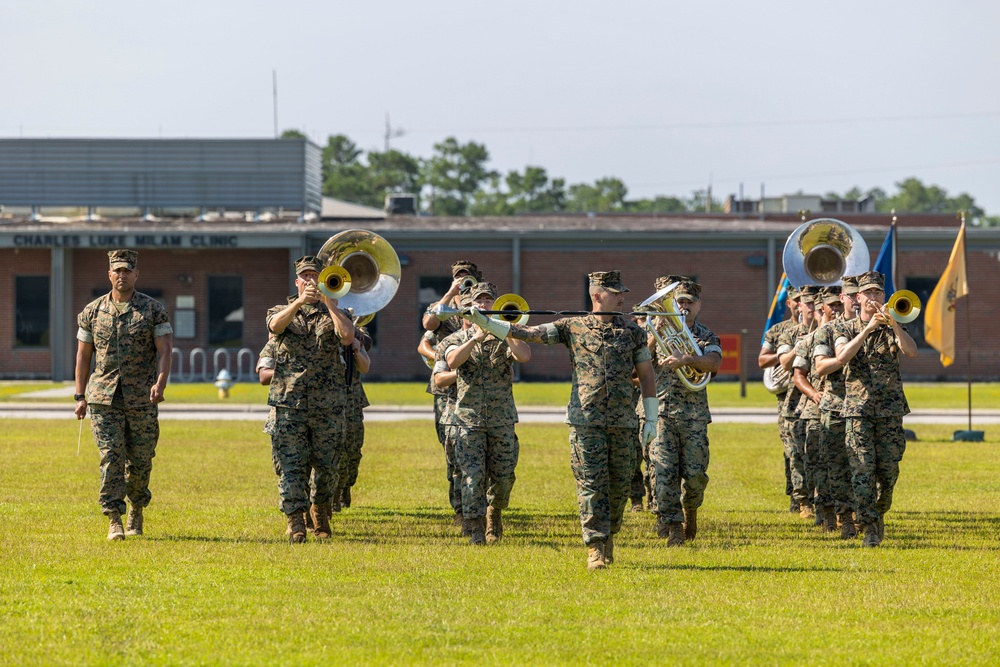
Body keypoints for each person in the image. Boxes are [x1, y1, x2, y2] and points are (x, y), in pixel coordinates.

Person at [462, 270, 657, 570]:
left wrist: (651, 417)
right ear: (597, 295)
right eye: (616, 292)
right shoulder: (572, 327)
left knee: (618, 489)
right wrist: (487, 323)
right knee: (591, 485)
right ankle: (595, 547)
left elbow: (645, 375)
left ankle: (608, 537)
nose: (622, 297)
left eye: (622, 292)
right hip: (585, 422)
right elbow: (528, 334)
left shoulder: (633, 332)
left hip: (624, 423)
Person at [74, 249, 173, 541]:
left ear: (136, 274)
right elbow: (82, 356)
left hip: (142, 397)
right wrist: (80, 397)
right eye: (117, 270)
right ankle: (114, 518)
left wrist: (161, 382)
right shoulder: (92, 312)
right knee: (111, 457)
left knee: (141, 460)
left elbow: (165, 350)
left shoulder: (153, 309)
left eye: (127, 270)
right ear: (109, 274)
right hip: (103, 398)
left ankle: (137, 508)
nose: (122, 275)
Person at [266, 255, 355, 543]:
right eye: (305, 276)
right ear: (297, 281)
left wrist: (329, 301)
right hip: (288, 403)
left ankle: (321, 509)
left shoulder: (336, 311)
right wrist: (299, 303)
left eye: (314, 276)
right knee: (291, 466)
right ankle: (295, 521)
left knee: (328, 466)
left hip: (327, 404)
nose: (310, 281)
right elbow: (275, 327)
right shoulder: (281, 309)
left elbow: (347, 336)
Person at [441, 282, 532, 545]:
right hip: (468, 420)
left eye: (487, 301)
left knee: (504, 476)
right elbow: (452, 362)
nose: (483, 306)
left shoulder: (504, 334)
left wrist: (506, 329)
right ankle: (476, 527)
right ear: (466, 307)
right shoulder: (454, 339)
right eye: (477, 302)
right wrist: (474, 338)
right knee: (472, 476)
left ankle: (495, 511)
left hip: (501, 418)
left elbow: (524, 356)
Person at [832, 271, 917, 547]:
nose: (873, 298)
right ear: (858, 298)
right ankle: (869, 527)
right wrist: (867, 329)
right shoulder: (845, 328)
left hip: (890, 412)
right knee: (862, 470)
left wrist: (894, 325)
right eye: (867, 293)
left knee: (889, 471)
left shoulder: (892, 327)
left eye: (877, 293)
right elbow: (842, 357)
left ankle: (879, 510)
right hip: (858, 412)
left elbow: (911, 352)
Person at [647, 276, 722, 546]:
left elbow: (713, 363)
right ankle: (673, 524)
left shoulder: (706, 335)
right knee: (663, 471)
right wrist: (655, 335)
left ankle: (690, 510)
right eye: (679, 301)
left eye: (689, 302)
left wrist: (688, 359)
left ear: (699, 305)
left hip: (694, 416)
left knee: (694, 475)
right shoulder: (655, 332)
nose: (684, 307)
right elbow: (637, 365)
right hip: (662, 413)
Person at [419, 260, 483, 524]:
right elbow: (428, 327)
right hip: (447, 390)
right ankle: (460, 508)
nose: (463, 281)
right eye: (458, 277)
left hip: (479, 389)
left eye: (467, 278)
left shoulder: (484, 308)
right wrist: (442, 360)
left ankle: (481, 508)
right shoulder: (443, 309)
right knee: (453, 450)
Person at [791, 285, 843, 532]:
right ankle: (825, 512)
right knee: (818, 463)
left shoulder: (849, 334)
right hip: (814, 409)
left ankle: (847, 512)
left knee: (843, 461)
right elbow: (798, 375)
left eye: (839, 304)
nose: (837, 309)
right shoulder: (809, 340)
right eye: (832, 305)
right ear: (823, 308)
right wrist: (813, 394)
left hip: (842, 406)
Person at [813, 275, 861, 539]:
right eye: (850, 295)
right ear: (842, 298)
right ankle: (845, 517)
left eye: (858, 294)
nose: (855, 300)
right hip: (836, 406)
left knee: (866, 464)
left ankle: (864, 512)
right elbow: (821, 367)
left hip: (866, 407)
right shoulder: (828, 331)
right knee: (837, 466)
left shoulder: (874, 326)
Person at [776, 284, 819, 519]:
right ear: (799, 306)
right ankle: (803, 501)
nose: (813, 308)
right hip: (793, 405)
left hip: (820, 404)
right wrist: (802, 344)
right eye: (809, 303)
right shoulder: (789, 334)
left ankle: (824, 501)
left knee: (819, 456)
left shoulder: (830, 330)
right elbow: (784, 362)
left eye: (816, 303)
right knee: (796, 455)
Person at [758, 287, 801, 512]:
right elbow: (762, 360)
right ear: (789, 303)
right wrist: (785, 355)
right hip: (789, 400)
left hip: (815, 396)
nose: (802, 304)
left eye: (807, 300)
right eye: (797, 300)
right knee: (791, 450)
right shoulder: (778, 330)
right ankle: (796, 495)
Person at [334, 325, 372, 510]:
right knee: (332, 452)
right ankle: (331, 493)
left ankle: (345, 485)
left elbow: (365, 366)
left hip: (352, 400)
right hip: (327, 400)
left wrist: (357, 348)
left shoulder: (354, 331)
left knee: (352, 451)